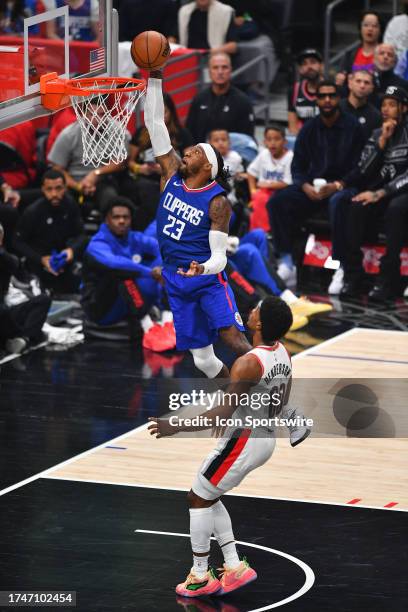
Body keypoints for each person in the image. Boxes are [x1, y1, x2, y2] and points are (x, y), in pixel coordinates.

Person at [148, 296, 310, 596]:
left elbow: (221, 411)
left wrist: (176, 425)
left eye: (256, 309)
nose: (250, 310)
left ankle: (200, 576)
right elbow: (269, 396)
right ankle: (234, 566)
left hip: (245, 439)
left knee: (197, 498)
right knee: (209, 495)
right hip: (260, 436)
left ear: (259, 323)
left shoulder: (248, 362)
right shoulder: (282, 353)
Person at [144, 68, 251, 378]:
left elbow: (219, 257)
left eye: (193, 152)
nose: (186, 151)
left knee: (235, 341)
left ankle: (284, 408)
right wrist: (154, 78)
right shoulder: (170, 175)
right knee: (202, 360)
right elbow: (154, 123)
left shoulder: (217, 202)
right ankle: (238, 405)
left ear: (207, 165)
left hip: (206, 281)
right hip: (176, 279)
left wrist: (201, 268)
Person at [267, 81, 365, 291]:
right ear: (317, 100)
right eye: (322, 96)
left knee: (339, 202)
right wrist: (304, 186)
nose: (327, 100)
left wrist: (338, 185)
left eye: (331, 95)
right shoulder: (309, 128)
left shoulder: (354, 126)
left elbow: (361, 167)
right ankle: (287, 261)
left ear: (339, 98)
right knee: (277, 201)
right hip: (313, 189)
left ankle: (340, 267)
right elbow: (297, 166)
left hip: (343, 186)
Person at [82, 196, 176, 351]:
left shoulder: (135, 238)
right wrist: (150, 272)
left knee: (170, 259)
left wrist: (162, 269)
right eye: (116, 217)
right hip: (99, 307)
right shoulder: (97, 243)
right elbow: (115, 263)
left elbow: (162, 250)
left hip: (125, 301)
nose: (121, 221)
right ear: (107, 220)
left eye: (125, 217)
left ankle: (167, 321)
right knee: (121, 273)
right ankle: (149, 329)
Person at [341, 86, 408, 301]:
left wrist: (380, 193)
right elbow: (363, 171)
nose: (386, 110)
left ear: (404, 108)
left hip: (401, 193)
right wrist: (380, 146)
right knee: (355, 206)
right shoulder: (377, 134)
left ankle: (389, 279)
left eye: (391, 105)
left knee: (396, 208)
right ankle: (353, 275)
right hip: (381, 193)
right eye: (383, 105)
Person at [122, 93, 194, 230]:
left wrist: (169, 169)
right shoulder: (140, 133)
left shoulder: (183, 134)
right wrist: (139, 168)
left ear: (171, 113)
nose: (159, 117)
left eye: (164, 112)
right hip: (144, 179)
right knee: (147, 189)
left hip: (173, 180)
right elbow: (129, 162)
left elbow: (190, 164)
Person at [47, 100, 128, 215]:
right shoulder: (68, 134)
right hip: (73, 181)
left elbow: (120, 162)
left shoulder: (117, 130)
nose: (99, 119)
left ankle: (108, 232)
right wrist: (78, 186)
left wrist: (96, 173)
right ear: (83, 115)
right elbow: (57, 168)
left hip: (103, 181)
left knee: (111, 199)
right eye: (93, 115)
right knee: (62, 201)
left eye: (102, 114)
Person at [13, 169, 87, 293]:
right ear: (43, 190)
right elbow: (17, 242)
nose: (54, 194)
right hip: (39, 261)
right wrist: (41, 259)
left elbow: (82, 235)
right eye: (49, 189)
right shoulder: (33, 212)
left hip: (63, 258)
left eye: (58, 188)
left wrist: (71, 250)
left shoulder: (70, 205)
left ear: (65, 188)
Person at [0, 222, 51, 355]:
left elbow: (14, 264)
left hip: (6, 313)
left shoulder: (7, 260)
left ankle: (23, 339)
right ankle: (26, 337)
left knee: (43, 300)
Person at [186, 52, 255, 143]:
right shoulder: (199, 99)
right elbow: (190, 133)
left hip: (232, 156)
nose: (220, 72)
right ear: (209, 71)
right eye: (215, 67)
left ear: (230, 70)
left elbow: (247, 139)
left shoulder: (243, 102)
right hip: (202, 155)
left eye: (224, 67)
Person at [247, 125, 293, 232]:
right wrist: (252, 191)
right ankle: (256, 232)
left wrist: (268, 184)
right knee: (258, 197)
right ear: (264, 142)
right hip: (262, 193)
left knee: (265, 200)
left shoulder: (290, 157)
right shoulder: (264, 154)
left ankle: (267, 231)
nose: (272, 143)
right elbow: (250, 173)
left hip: (282, 193)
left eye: (277, 139)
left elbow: (288, 182)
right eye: (269, 139)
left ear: (285, 141)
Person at [336, 11, 382, 87]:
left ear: (380, 30)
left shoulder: (385, 55)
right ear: (360, 29)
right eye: (366, 25)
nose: (370, 29)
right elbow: (342, 76)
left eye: (374, 26)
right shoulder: (349, 55)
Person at [287, 48, 323, 135]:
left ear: (321, 66)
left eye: (313, 62)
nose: (309, 67)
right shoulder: (294, 90)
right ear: (300, 69)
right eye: (304, 64)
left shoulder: (332, 89)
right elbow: (292, 127)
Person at [339, 70, 382, 142]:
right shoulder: (336, 108)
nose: (362, 86)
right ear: (350, 84)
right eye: (358, 81)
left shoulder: (376, 116)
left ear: (372, 88)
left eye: (367, 83)